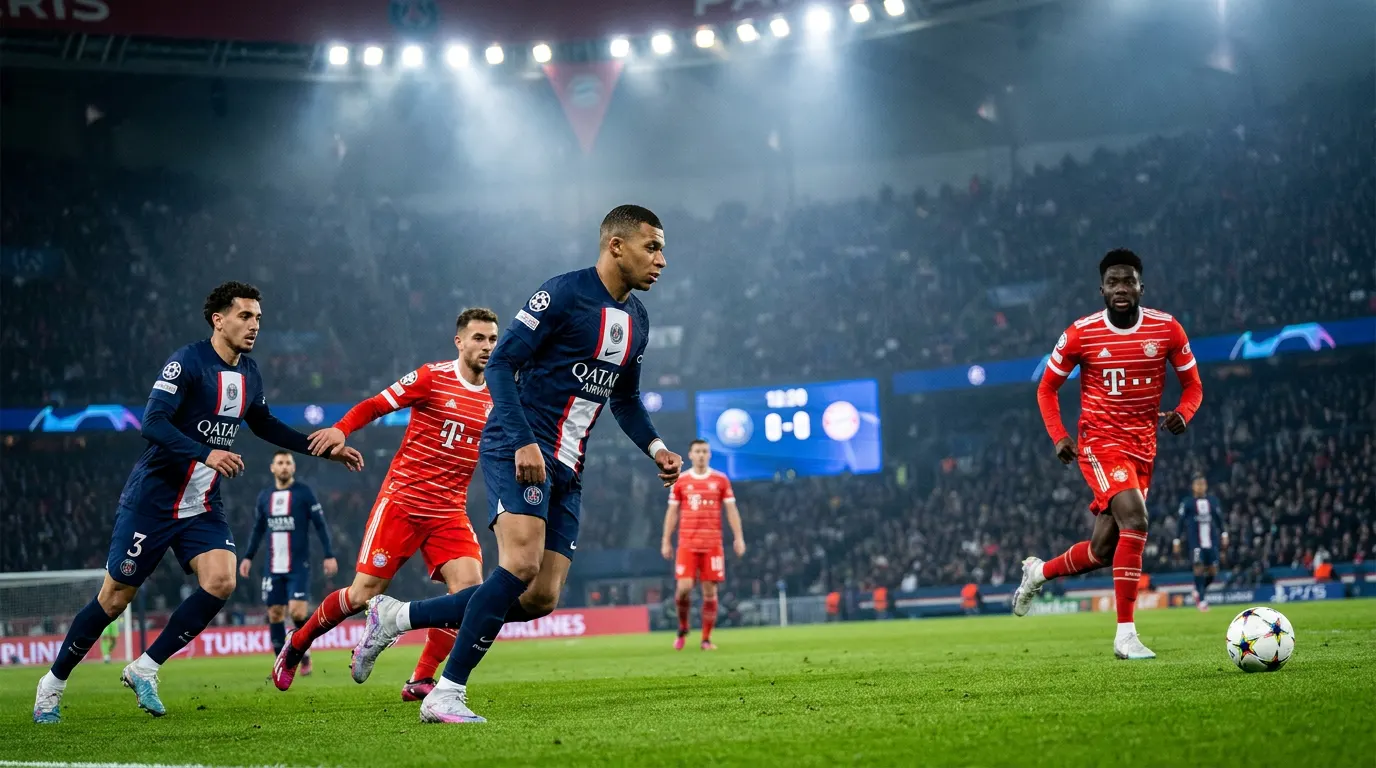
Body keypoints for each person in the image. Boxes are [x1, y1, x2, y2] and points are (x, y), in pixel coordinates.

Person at [348, 204, 683, 724]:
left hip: (569, 467)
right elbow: (502, 362)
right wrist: (525, 441)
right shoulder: (563, 294)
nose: (662, 259)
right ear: (616, 246)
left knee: (539, 597)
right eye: (653, 246)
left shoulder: (638, 320)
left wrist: (657, 447)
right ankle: (445, 693)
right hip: (518, 446)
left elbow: (625, 400)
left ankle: (398, 615)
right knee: (518, 566)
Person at [32, 281, 363, 724]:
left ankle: (145, 668)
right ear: (218, 319)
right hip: (153, 500)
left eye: (258, 318)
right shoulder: (187, 362)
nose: (254, 326)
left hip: (202, 502)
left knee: (222, 580)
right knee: (113, 600)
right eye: (245, 316)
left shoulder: (250, 372)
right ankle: (51, 685)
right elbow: (152, 424)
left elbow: (264, 423)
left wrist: (320, 447)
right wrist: (206, 451)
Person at [270, 309, 499, 702]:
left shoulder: (497, 394)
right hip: (403, 502)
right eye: (479, 338)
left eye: (493, 339)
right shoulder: (431, 376)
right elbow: (376, 404)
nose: (487, 347)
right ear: (459, 341)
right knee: (361, 595)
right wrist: (341, 429)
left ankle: (421, 680)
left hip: (448, 511)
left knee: (470, 596)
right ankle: (297, 644)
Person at [1011, 249, 1203, 660]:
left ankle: (1038, 572)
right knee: (1136, 518)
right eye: (1113, 282)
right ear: (1101, 289)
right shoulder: (1081, 333)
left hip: (1143, 448)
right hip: (1099, 442)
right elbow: (1046, 388)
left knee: (1102, 550)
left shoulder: (1167, 329)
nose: (1120, 288)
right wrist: (1060, 436)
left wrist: (1184, 415)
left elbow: (1194, 387)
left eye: (1128, 281)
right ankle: (1125, 635)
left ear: (1140, 287)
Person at [239, 450, 338, 673]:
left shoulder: (304, 493)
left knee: (297, 613)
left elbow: (320, 525)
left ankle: (304, 652)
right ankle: (282, 663)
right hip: (273, 567)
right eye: (280, 463)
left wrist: (329, 554)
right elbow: (258, 529)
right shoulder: (265, 496)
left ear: (293, 468)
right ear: (273, 468)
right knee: (274, 613)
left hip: (298, 566)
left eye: (288, 463)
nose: (284, 466)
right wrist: (248, 557)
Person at [662, 439, 745, 651]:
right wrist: (666, 541)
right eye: (697, 451)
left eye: (704, 451)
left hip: (712, 545)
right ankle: (683, 627)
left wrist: (739, 537)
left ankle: (706, 639)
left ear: (709, 455)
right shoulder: (681, 480)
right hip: (687, 544)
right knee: (684, 588)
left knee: (710, 592)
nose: (701, 455)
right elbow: (672, 513)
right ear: (690, 455)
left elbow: (731, 511)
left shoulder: (720, 480)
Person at [1174, 476, 1227, 611]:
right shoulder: (1188, 503)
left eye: (1202, 484)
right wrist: (1176, 540)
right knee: (1198, 567)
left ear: (1206, 486)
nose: (1200, 487)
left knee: (1213, 570)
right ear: (1193, 487)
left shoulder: (1213, 501)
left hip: (1211, 541)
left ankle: (1198, 591)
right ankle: (1202, 601)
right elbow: (1180, 522)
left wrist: (1224, 534)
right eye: (1197, 484)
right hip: (1195, 542)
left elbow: (1219, 519)